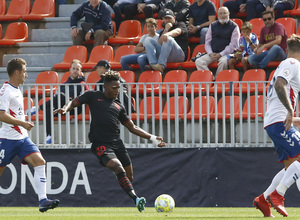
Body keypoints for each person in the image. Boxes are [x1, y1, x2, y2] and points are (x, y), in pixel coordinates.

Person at [54, 71, 166, 212]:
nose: (117, 91)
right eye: (114, 88)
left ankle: (118, 173)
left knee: (129, 176)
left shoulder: (119, 106)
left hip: (117, 144)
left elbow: (132, 127)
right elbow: (74, 102)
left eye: (118, 88)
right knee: (118, 168)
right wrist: (65, 108)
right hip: (100, 144)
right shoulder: (93, 96)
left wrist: (153, 138)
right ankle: (136, 199)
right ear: (105, 87)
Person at [0, 58, 60, 212]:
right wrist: (22, 123)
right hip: (7, 139)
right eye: (25, 71)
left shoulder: (17, 89)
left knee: (40, 162)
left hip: (22, 138)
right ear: (17, 72)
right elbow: (1, 115)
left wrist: (23, 124)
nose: (26, 75)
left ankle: (43, 200)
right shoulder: (6, 90)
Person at [253, 34, 300, 218]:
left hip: (277, 122)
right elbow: (280, 85)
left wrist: (293, 117)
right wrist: (289, 111)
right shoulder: (292, 64)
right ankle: (277, 194)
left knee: (293, 167)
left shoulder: (289, 65)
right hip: (279, 122)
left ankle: (263, 200)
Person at [26, 60, 89, 144]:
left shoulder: (83, 84)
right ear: (70, 69)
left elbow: (84, 98)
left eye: (77, 69)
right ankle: (49, 136)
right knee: (48, 108)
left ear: (80, 71)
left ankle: (37, 108)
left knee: (61, 95)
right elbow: (55, 97)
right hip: (62, 108)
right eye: (73, 68)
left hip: (75, 108)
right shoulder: (63, 84)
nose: (75, 71)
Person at [195, 6, 240, 78]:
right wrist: (210, 53)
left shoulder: (234, 27)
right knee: (199, 62)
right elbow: (207, 42)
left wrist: (221, 54)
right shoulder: (212, 25)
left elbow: (233, 45)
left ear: (228, 14)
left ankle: (218, 79)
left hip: (226, 54)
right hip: (213, 53)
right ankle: (211, 78)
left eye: (224, 13)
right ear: (217, 15)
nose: (222, 15)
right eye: (220, 13)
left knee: (223, 62)